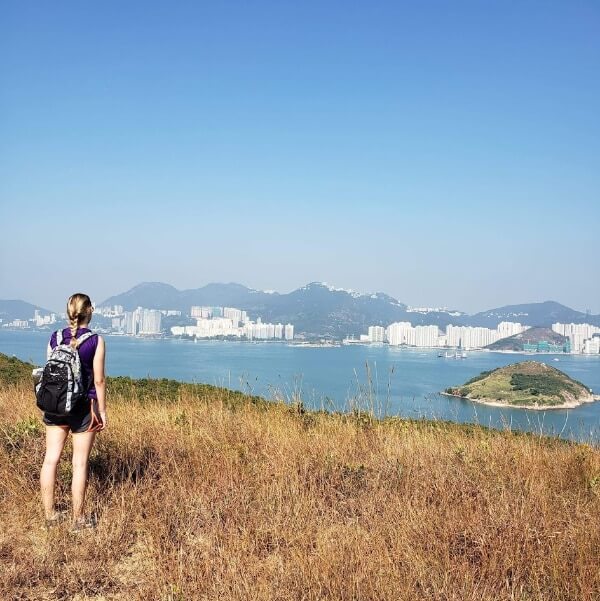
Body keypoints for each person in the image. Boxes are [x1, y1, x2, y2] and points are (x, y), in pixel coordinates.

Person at [39, 293, 107, 531]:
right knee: (79, 463)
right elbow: (98, 381)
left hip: (55, 407)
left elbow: (49, 372)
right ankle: (78, 521)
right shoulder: (95, 340)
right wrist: (103, 410)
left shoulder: (55, 337)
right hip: (82, 407)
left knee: (51, 460)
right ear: (89, 311)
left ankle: (49, 516)